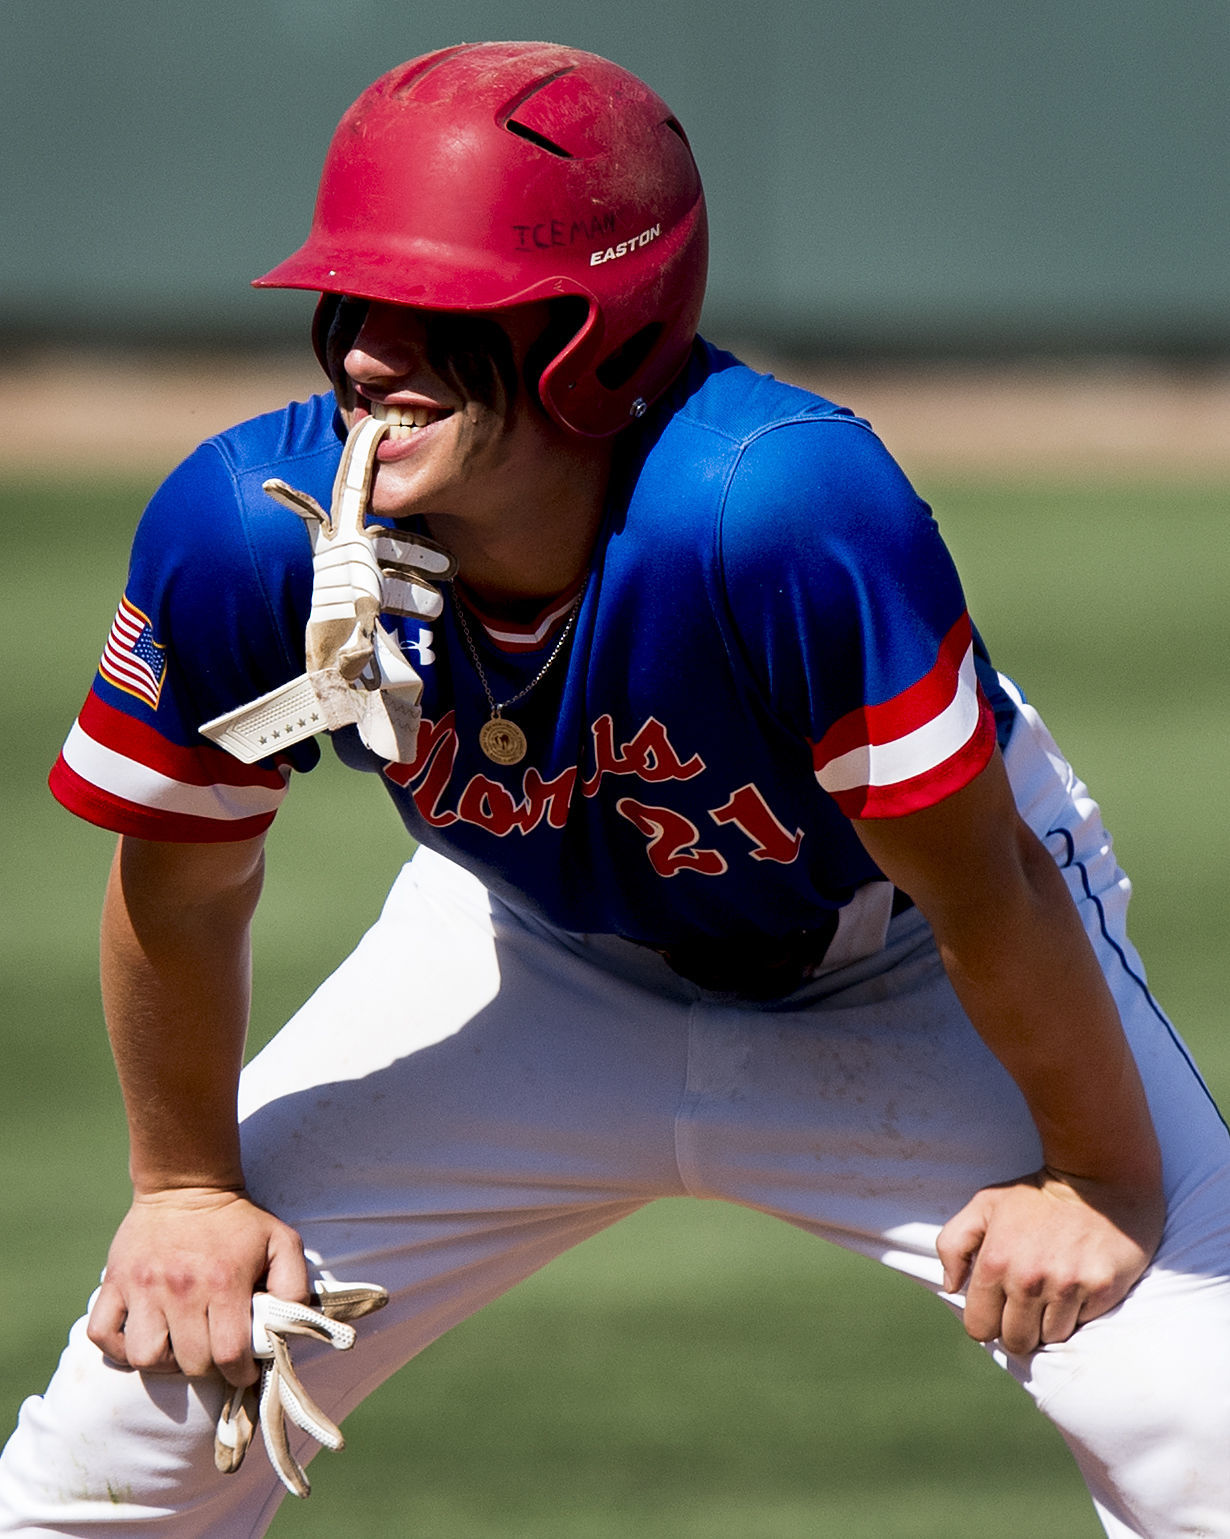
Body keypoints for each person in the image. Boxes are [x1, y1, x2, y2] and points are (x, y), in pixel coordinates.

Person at [1, 39, 1228, 1538]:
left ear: (598, 334)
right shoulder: (245, 530)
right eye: (354, 300)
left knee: (1202, 1422)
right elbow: (181, 884)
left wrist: (1095, 1176)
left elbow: (981, 885)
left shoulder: (771, 508)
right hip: (525, 952)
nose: (370, 353)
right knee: (137, 1423)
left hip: (899, 960)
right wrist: (186, 1191)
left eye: (438, 308)